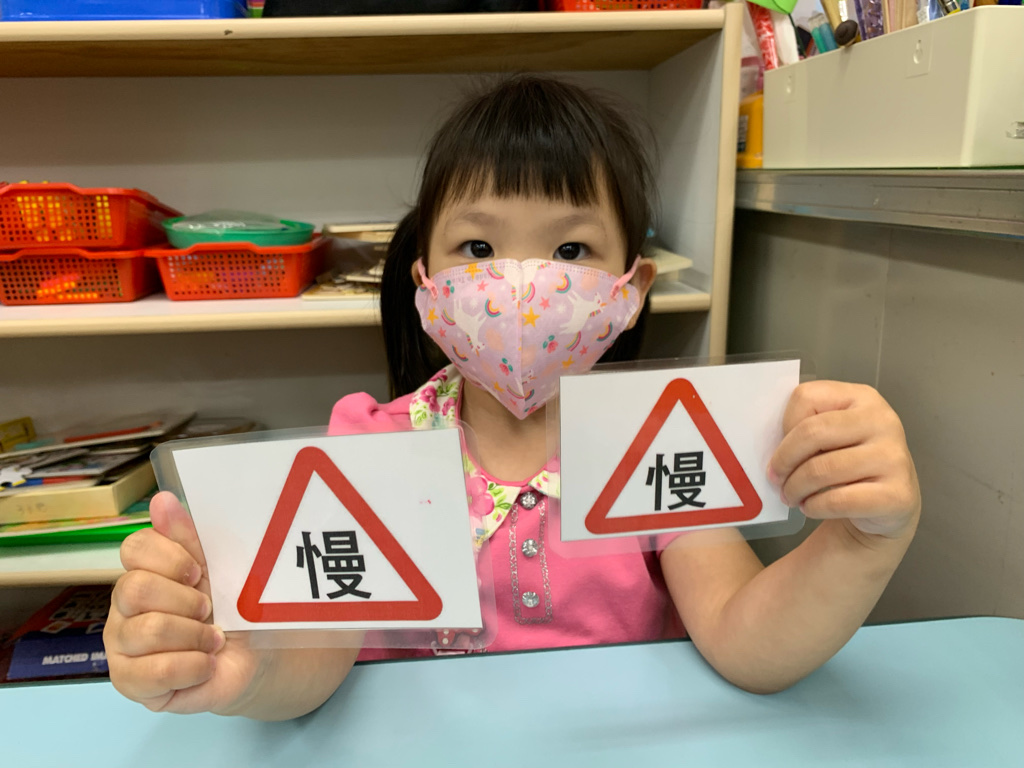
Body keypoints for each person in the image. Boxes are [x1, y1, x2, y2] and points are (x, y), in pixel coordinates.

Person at [103, 76, 921, 721]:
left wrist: (857, 544)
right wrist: (246, 672)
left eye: (570, 249)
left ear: (631, 287)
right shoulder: (370, 447)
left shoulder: (663, 449)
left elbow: (747, 638)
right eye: (477, 246)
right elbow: (316, 651)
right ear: (424, 281)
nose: (521, 285)